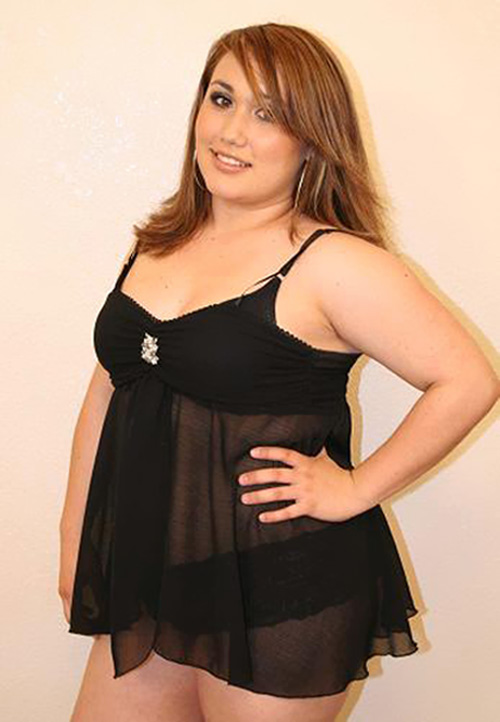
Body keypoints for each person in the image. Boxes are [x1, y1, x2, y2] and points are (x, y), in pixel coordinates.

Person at [58, 22, 499, 722]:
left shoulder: (333, 263)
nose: (232, 131)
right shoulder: (159, 241)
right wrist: (78, 543)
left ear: (312, 139)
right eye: (222, 98)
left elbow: (469, 380)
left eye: (268, 113)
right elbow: (111, 386)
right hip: (159, 577)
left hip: (284, 591)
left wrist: (355, 488)